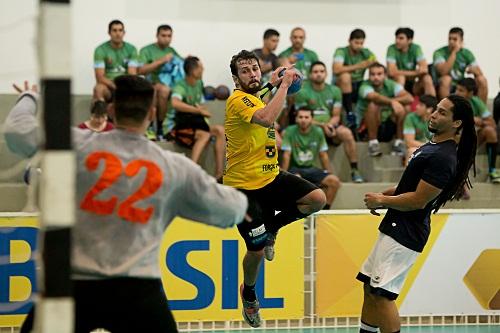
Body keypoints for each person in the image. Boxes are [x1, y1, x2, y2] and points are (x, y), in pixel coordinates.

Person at [5, 77, 248, 333]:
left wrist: (30, 97)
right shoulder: (174, 167)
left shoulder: (76, 144)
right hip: (138, 292)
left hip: (72, 286)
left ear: (111, 110)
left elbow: (17, 130)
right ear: (152, 113)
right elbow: (231, 209)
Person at [358, 94, 477, 333]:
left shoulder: (444, 157)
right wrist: (385, 196)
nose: (434, 114)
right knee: (371, 289)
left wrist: (382, 200)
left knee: (383, 295)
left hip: (406, 232)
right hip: (394, 225)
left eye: (443, 112)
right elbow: (408, 188)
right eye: (436, 109)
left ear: (457, 123)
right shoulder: (430, 147)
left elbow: (418, 200)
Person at [224, 50, 326, 328]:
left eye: (255, 68)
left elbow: (260, 102)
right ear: (236, 78)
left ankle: (274, 228)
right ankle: (250, 295)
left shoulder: (254, 96)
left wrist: (271, 83)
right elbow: (267, 117)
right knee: (255, 252)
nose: (252, 74)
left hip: (270, 177)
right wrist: (282, 86)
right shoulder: (236, 100)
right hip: (243, 189)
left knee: (317, 198)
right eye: (245, 71)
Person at [294, 61, 364, 182]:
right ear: (310, 75)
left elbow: (336, 115)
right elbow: (302, 117)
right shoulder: (303, 92)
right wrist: (323, 125)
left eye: (321, 71)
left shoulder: (335, 90)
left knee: (346, 133)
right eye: (315, 72)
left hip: (329, 127)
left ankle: (354, 170)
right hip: (310, 127)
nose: (319, 74)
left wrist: (330, 125)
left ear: (326, 74)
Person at [168, 56, 226, 180]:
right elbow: (175, 103)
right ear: (194, 71)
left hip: (194, 125)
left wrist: (200, 110)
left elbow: (198, 104)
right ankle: (192, 172)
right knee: (205, 135)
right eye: (201, 67)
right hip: (175, 127)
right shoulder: (180, 86)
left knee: (220, 130)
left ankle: (219, 174)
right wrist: (197, 110)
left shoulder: (199, 83)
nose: (203, 69)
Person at [281, 108, 341, 208]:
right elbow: (287, 154)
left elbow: (323, 155)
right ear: (296, 119)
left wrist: (329, 172)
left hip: (311, 168)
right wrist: (284, 174)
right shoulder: (290, 131)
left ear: (311, 119)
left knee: (334, 180)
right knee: (296, 180)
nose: (303, 120)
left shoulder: (318, 132)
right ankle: (297, 210)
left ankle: (325, 210)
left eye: (306, 117)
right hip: (295, 168)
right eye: (300, 117)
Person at [355, 63, 414, 157]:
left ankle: (399, 143)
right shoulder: (364, 86)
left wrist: (394, 101)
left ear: (385, 75)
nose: (376, 77)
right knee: (373, 105)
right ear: (369, 76)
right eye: (372, 74)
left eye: (379, 74)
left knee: (405, 107)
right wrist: (392, 102)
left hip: (386, 127)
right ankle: (373, 144)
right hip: (365, 129)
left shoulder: (390, 84)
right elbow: (375, 97)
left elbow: (409, 98)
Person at [138, 24, 183, 138]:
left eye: (169, 36)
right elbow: (140, 70)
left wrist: (187, 60)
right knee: (153, 90)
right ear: (157, 36)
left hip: (166, 86)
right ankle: (150, 126)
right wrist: (160, 61)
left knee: (164, 90)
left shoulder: (172, 50)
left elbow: (181, 66)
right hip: (149, 83)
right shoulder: (146, 50)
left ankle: (160, 128)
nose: (166, 38)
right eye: (163, 35)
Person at [455, 78, 500, 183]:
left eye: (461, 90)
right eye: (457, 89)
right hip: (454, 140)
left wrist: (481, 122)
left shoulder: (476, 101)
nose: (457, 92)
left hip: (470, 139)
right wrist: (471, 119)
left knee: (490, 131)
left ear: (470, 94)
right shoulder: (452, 102)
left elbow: (492, 123)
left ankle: (492, 170)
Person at [433, 27, 488, 103]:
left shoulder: (466, 53)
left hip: (461, 83)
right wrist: (454, 52)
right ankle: (446, 108)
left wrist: (472, 70)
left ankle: (481, 110)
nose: (451, 41)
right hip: (445, 84)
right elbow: (443, 71)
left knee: (482, 80)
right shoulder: (439, 52)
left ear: (461, 41)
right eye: (449, 39)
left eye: (455, 39)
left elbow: (479, 72)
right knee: (446, 79)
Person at [332, 28, 376, 121]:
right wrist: (358, 66)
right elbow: (336, 69)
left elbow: (376, 63)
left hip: (359, 84)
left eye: (361, 43)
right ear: (349, 41)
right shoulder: (341, 51)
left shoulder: (366, 52)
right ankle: (349, 111)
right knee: (345, 77)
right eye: (356, 43)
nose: (359, 46)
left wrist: (372, 62)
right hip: (341, 85)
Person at [93, 20, 138, 102]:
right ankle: (100, 114)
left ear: (124, 33)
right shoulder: (100, 50)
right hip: (108, 85)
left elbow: (132, 74)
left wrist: (123, 86)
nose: (118, 33)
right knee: (98, 89)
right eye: (114, 30)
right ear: (109, 33)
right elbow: (100, 77)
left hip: (125, 85)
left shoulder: (132, 49)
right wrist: (115, 86)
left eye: (120, 30)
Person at [386, 27, 435, 97]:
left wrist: (399, 72)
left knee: (427, 78)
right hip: (396, 83)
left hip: (412, 84)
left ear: (410, 40)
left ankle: (432, 105)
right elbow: (391, 72)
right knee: (400, 77)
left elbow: (424, 69)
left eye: (401, 38)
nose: (397, 41)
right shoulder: (391, 49)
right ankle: (401, 103)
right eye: (396, 38)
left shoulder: (416, 48)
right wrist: (415, 72)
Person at [403, 95, 438, 165]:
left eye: (421, 105)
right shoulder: (411, 117)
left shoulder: (437, 121)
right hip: (417, 148)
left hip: (433, 150)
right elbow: (409, 142)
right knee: (412, 151)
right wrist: (430, 146)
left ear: (429, 109)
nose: (416, 107)